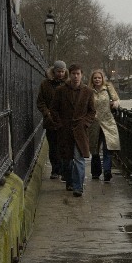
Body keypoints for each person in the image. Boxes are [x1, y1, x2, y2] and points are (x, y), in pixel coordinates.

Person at [50, 64, 96, 197]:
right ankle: (70, 181)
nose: (76, 76)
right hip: (65, 130)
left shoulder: (88, 92)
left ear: (82, 75)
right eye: (73, 74)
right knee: (68, 159)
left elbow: (92, 111)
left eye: (78, 74)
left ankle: (78, 187)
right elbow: (54, 109)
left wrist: (85, 123)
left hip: (80, 131)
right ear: (69, 75)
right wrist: (59, 124)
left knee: (79, 158)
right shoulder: (61, 91)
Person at [37, 60, 68, 179]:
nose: (60, 74)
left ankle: (64, 170)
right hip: (51, 121)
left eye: (62, 71)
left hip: (64, 120)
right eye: (58, 71)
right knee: (53, 147)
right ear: (54, 71)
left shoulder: (68, 84)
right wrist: (47, 112)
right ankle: (55, 170)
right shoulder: (45, 84)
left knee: (64, 147)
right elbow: (40, 102)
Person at [88, 69, 120, 182]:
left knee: (108, 148)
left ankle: (107, 172)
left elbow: (116, 99)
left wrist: (115, 104)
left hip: (107, 121)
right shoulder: (88, 91)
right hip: (94, 123)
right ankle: (95, 172)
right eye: (95, 78)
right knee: (94, 148)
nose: (97, 80)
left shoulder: (108, 88)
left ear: (102, 79)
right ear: (92, 79)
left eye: (99, 78)